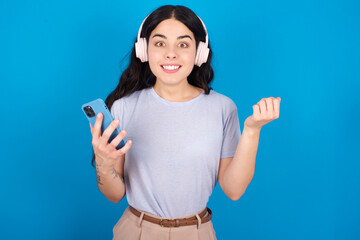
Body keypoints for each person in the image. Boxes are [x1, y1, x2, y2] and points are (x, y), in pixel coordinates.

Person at [89, 4, 281, 240]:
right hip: (135, 231)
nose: (171, 54)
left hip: (197, 232)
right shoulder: (124, 107)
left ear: (199, 53)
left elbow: (233, 190)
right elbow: (114, 195)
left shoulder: (223, 108)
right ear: (143, 50)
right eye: (160, 43)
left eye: (183, 44)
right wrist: (104, 163)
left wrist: (252, 130)